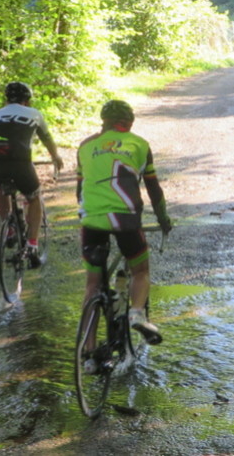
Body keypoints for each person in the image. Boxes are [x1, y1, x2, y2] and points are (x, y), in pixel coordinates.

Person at [76, 99, 172, 352]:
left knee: (92, 284)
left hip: (92, 219)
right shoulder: (139, 144)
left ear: (103, 122)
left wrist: (84, 214)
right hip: (126, 219)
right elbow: (152, 186)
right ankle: (137, 314)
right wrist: (163, 219)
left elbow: (80, 188)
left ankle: (87, 348)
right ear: (129, 123)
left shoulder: (85, 146)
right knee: (140, 271)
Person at [0, 81, 64, 268]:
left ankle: (8, 227)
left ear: (6, 99)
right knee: (34, 198)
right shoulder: (34, 114)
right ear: (27, 100)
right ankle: (32, 245)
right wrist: (55, 156)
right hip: (19, 161)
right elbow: (47, 139)